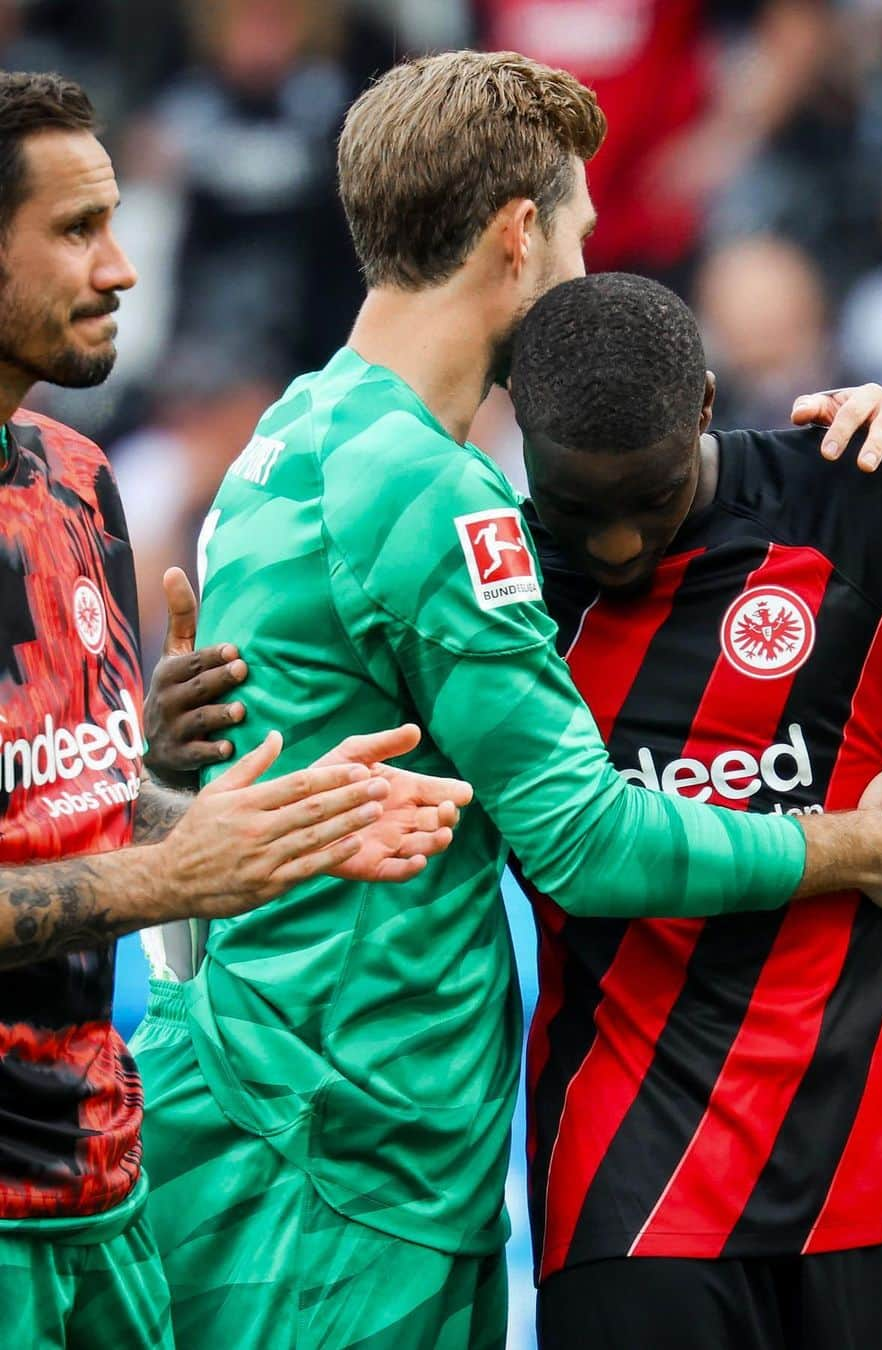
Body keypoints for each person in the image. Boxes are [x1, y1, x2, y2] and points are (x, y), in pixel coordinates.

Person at [132, 50, 882, 1350]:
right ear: (520, 236)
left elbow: (199, 790)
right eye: (575, 227)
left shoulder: (297, 427)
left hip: (277, 1104)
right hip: (347, 1159)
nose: (583, 265)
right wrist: (857, 842)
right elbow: (583, 840)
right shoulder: (429, 492)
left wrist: (827, 459)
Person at [502, 273, 882, 1349]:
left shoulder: (867, 494)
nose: (618, 545)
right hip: (628, 1179)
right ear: (516, 430)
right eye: (581, 509)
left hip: (877, 1158)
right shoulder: (488, 581)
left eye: (651, 496)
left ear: (708, 406)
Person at [0, 70, 471, 1350]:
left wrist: (212, 807)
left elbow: (88, 832)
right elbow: (127, 882)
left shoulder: (77, 484)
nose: (122, 268)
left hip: (103, 1193)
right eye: (76, 229)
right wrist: (167, 878)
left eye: (118, 221)